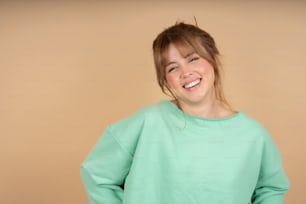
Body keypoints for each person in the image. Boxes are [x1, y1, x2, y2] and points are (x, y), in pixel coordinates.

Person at [80, 22, 289, 204]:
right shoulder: (149, 122)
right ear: (165, 79)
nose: (185, 73)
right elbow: (97, 172)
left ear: (213, 59)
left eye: (193, 59)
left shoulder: (253, 135)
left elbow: (271, 187)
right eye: (172, 68)